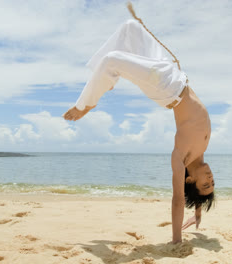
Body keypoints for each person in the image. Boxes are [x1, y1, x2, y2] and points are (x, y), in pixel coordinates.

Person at [63, 19, 215, 244]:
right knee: (130, 28)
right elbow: (196, 193)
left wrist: (177, 240)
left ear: (190, 179)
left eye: (205, 183)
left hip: (166, 87)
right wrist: (198, 212)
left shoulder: (180, 157)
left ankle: (85, 103)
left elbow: (177, 199)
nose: (211, 178)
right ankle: (103, 78)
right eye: (213, 182)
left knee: (112, 60)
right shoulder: (201, 153)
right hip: (174, 74)